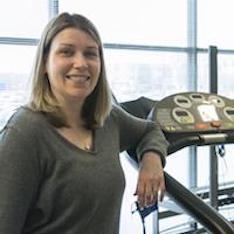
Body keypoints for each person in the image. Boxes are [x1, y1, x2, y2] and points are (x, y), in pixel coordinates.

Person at [0, 12, 168, 234]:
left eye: (90, 54)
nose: (80, 63)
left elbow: (150, 130)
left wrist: (152, 160)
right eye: (66, 52)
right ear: (44, 64)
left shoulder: (108, 119)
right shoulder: (24, 133)